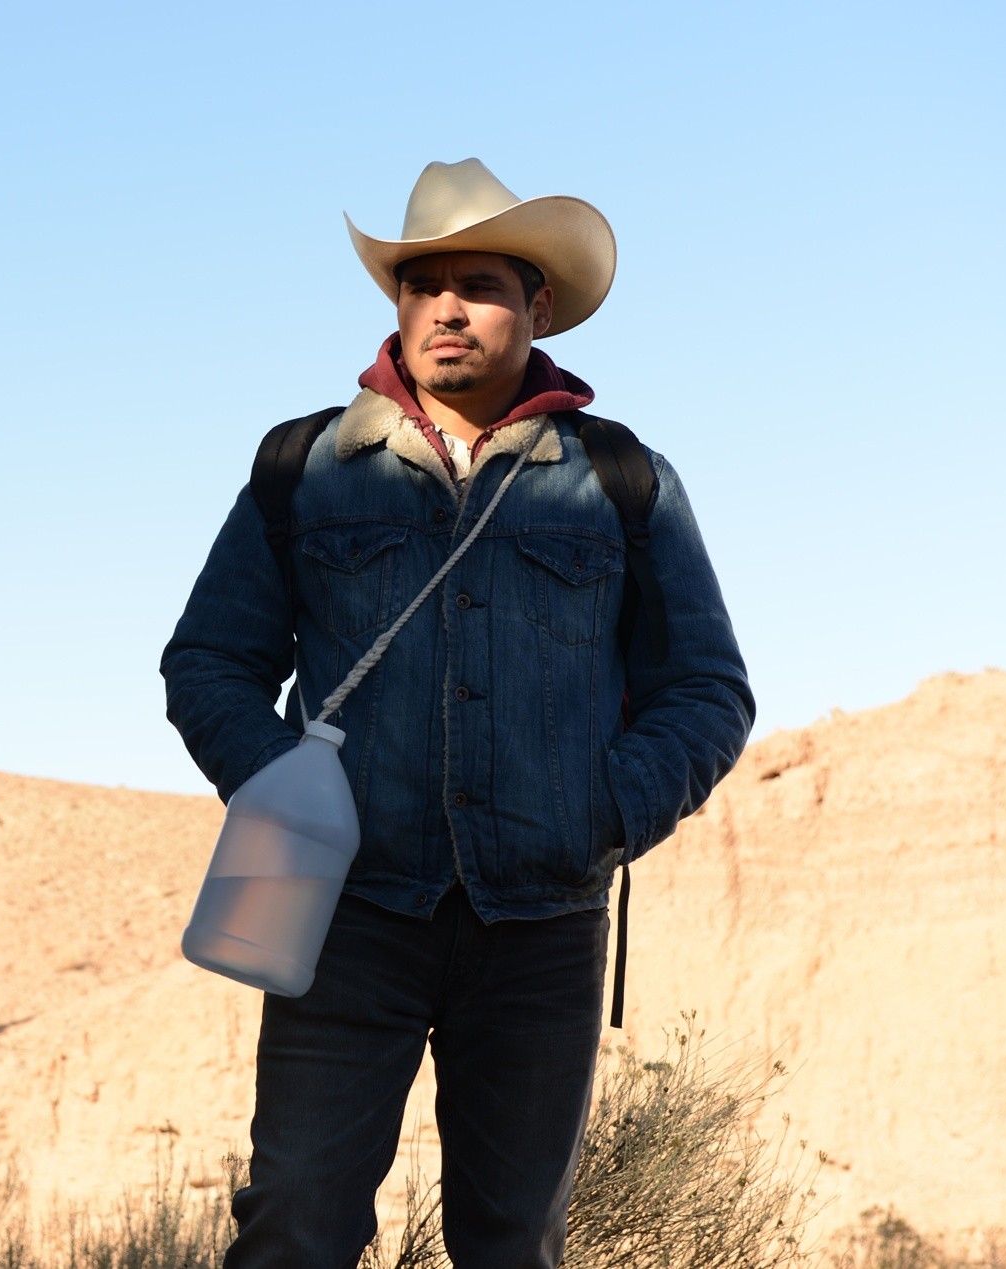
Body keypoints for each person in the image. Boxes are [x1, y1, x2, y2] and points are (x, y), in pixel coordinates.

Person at [159, 158, 754, 1269]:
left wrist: (604, 812)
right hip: (342, 918)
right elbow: (206, 664)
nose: (444, 308)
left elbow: (707, 688)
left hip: (540, 925)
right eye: (419, 283)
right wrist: (287, 800)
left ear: (535, 306)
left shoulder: (622, 477)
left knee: (509, 1241)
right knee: (292, 1221)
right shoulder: (303, 469)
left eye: (476, 284)